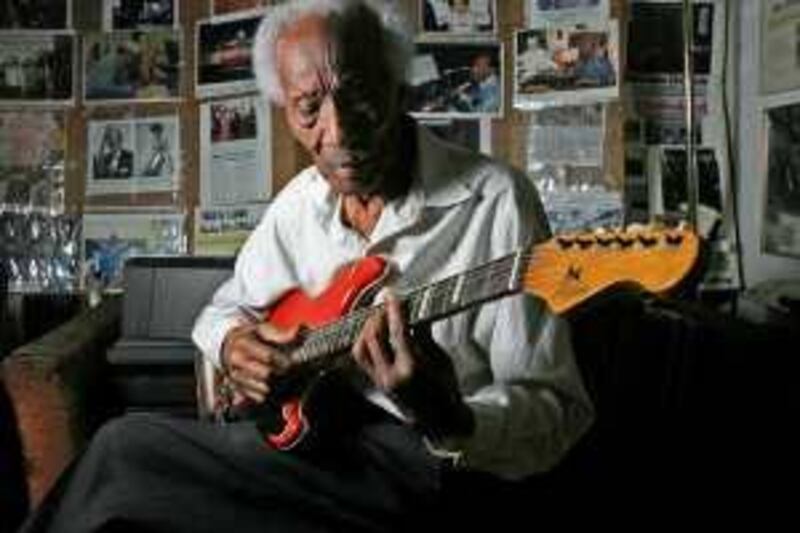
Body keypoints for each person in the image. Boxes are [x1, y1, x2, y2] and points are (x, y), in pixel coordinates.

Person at [20, 1, 593, 531]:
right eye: (310, 108)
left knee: (126, 454)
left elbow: (558, 412)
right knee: (127, 492)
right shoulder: (300, 204)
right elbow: (224, 308)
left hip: (431, 471)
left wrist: (449, 418)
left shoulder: (495, 200)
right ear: (287, 113)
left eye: (359, 94)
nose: (337, 133)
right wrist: (233, 343)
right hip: (319, 451)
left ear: (398, 88)